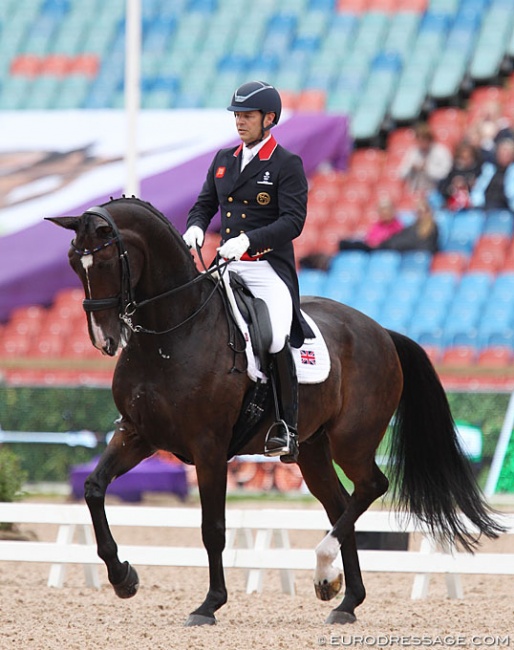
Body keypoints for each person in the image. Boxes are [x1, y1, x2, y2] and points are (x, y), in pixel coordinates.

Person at [183, 81, 313, 463]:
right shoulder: (223, 159)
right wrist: (195, 224)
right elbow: (204, 204)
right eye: (237, 115)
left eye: (248, 116)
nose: (240, 121)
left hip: (266, 266)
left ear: (268, 119)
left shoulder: (286, 164)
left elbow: (293, 221)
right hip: (227, 264)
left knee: (274, 339)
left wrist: (249, 241)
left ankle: (287, 427)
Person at [398, 122, 453, 193]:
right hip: (416, 191)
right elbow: (401, 174)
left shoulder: (441, 151)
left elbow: (445, 173)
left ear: (429, 138)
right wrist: (412, 168)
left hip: (436, 191)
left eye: (423, 139)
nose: (421, 142)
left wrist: (427, 169)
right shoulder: (413, 152)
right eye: (419, 139)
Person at [338, 195, 404, 252]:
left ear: (393, 210)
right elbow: (370, 239)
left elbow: (395, 243)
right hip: (372, 249)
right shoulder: (376, 226)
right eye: (381, 210)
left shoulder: (398, 226)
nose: (384, 212)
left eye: (387, 209)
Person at [470, 136, 514, 213]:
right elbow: (478, 189)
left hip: (506, 210)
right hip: (485, 208)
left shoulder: (512, 171)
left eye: (507, 153)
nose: (504, 155)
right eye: (501, 152)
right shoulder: (488, 169)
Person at [438, 141, 482, 212]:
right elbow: (443, 188)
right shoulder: (454, 171)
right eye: (463, 158)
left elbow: (481, 189)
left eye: (468, 157)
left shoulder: (478, 170)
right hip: (454, 205)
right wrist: (452, 186)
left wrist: (467, 184)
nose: (466, 160)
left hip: (471, 205)